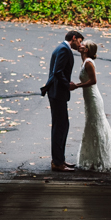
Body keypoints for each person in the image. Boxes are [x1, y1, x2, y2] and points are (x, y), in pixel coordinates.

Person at [74, 40, 111, 172]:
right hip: (88, 98)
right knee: (92, 124)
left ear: (87, 49)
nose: (80, 45)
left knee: (96, 124)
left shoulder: (88, 62)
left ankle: (102, 158)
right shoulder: (84, 61)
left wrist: (76, 86)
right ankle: (94, 158)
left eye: (82, 45)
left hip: (93, 97)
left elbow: (93, 81)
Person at [40, 30, 84, 172]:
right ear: (74, 38)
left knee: (62, 125)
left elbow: (59, 72)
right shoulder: (64, 50)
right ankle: (58, 163)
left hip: (56, 92)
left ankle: (60, 160)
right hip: (57, 93)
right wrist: (68, 85)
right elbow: (58, 72)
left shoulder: (61, 48)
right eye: (80, 41)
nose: (80, 44)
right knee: (60, 127)